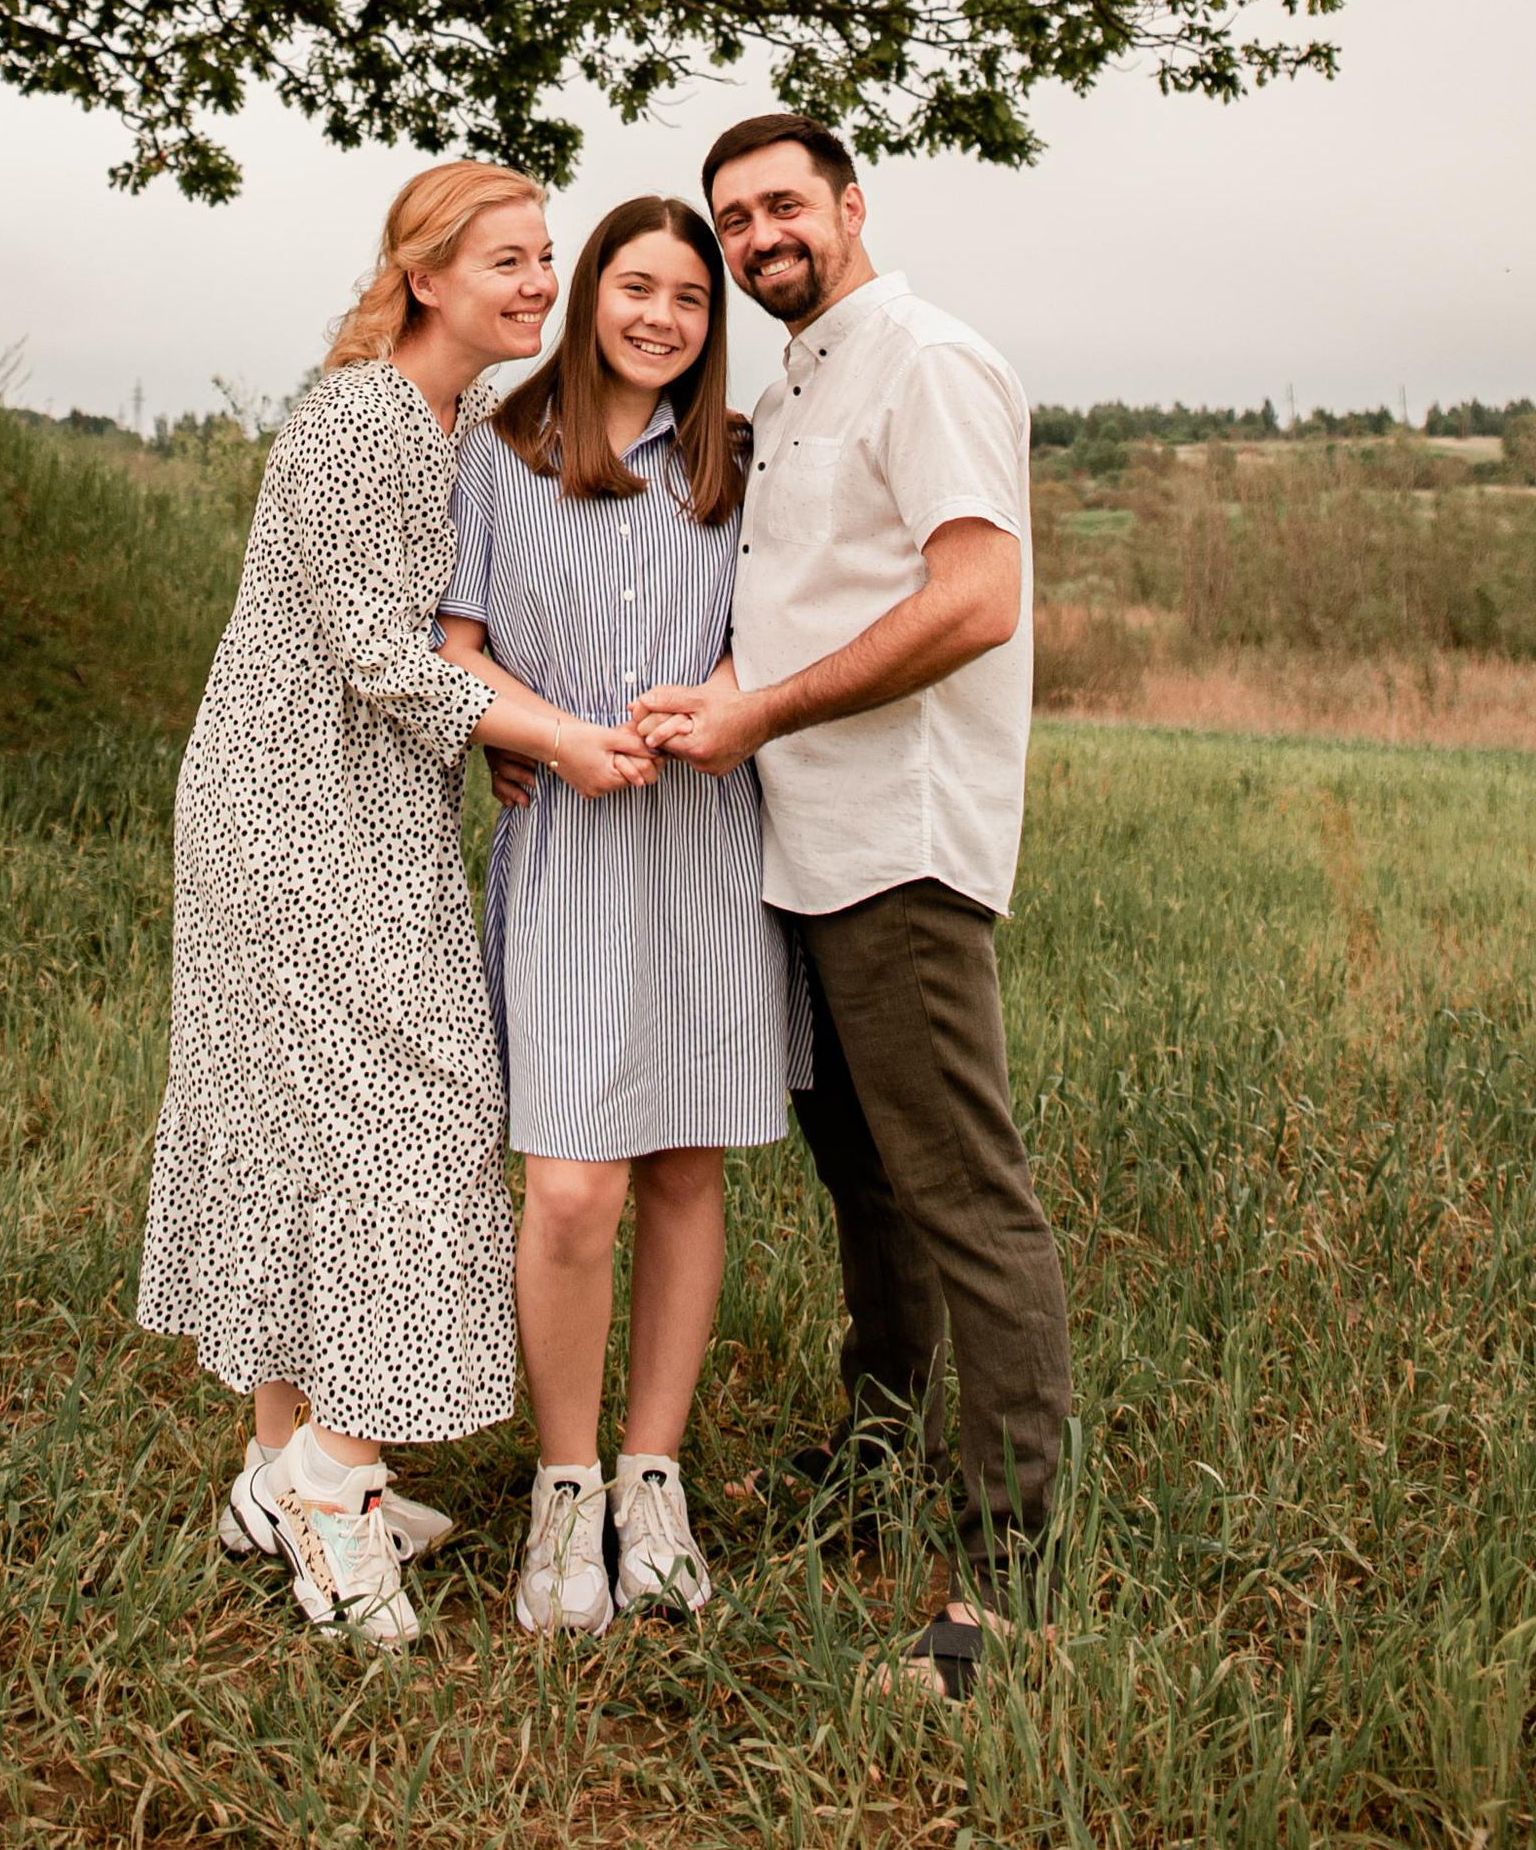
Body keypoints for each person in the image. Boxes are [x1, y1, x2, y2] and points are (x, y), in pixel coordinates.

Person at [136, 160, 657, 1652]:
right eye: (505, 259)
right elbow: (376, 653)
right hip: (298, 813)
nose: (535, 282)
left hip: (355, 804)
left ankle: (271, 1464)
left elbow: (432, 642)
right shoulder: (367, 418)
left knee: (314, 1114)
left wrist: (493, 731)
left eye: (545, 257)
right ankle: (338, 1487)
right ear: (422, 273)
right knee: (410, 1120)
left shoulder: (460, 422)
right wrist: (545, 736)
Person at [631, 112, 1070, 1705]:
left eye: (781, 207)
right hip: (799, 842)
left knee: (963, 1192)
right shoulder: (797, 376)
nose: (756, 239)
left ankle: (1004, 1586)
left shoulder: (930, 359)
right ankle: (875, 1454)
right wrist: (707, 707)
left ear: (852, 203)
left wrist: (763, 715)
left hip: (903, 841)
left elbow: (973, 597)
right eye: (732, 219)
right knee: (868, 1188)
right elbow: (803, 600)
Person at [439, 197, 806, 1636]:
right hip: (573, 841)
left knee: (684, 1169)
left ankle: (654, 1477)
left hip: (710, 838)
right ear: (590, 291)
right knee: (574, 1186)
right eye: (636, 287)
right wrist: (531, 729)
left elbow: (777, 628)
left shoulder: (736, 462)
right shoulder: (502, 449)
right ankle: (566, 1487)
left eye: (691, 300)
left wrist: (721, 690)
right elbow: (453, 645)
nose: (661, 317)